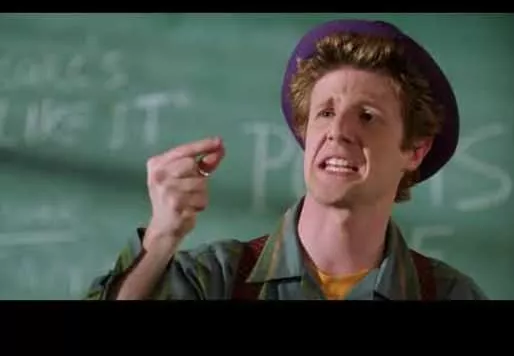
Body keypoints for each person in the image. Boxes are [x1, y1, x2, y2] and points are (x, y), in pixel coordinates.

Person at [85, 19, 488, 300]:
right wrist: (160, 238)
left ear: (415, 150)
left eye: (367, 116)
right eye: (325, 113)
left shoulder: (450, 294)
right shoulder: (214, 281)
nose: (337, 131)